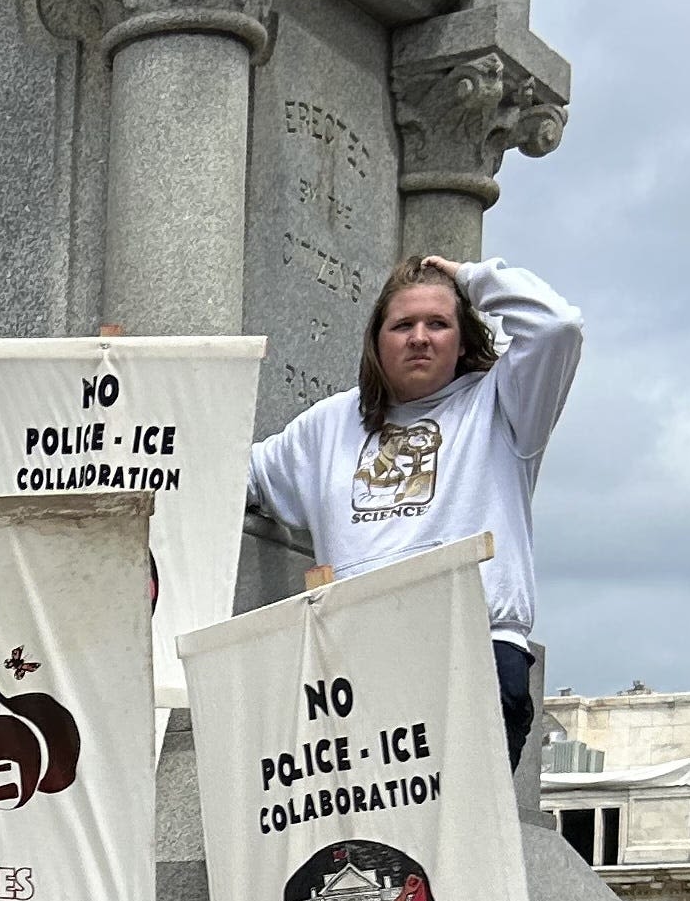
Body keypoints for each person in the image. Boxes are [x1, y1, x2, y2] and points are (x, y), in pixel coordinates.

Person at [245, 256, 583, 763]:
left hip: (474, 651)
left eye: (438, 324)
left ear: (464, 340)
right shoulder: (328, 425)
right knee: (364, 844)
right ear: (377, 342)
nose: (420, 337)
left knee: (458, 839)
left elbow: (557, 325)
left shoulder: (504, 406)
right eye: (403, 324)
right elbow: (232, 480)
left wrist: (471, 278)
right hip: (353, 661)